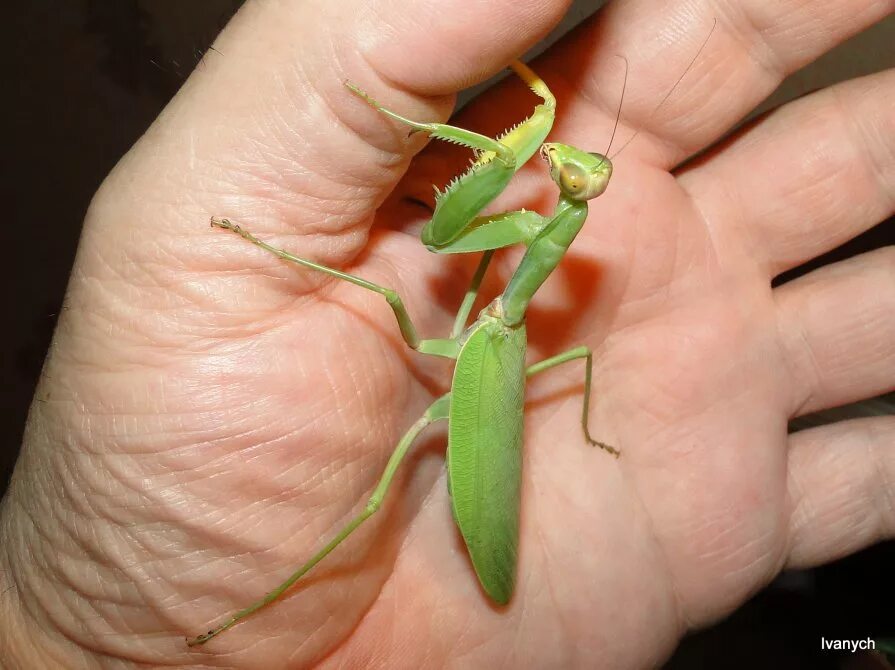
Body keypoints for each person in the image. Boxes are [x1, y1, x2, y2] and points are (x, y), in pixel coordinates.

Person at [1, 0, 892, 666]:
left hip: (478, 408)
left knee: (374, 470)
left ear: (574, 207)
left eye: (572, 175)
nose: (562, 165)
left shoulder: (533, 264)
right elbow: (466, 245)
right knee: (510, 304)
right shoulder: (537, 261)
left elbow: (447, 248)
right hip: (494, 351)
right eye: (569, 162)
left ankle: (237, 616)